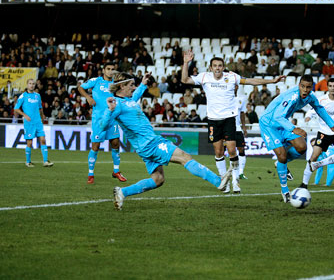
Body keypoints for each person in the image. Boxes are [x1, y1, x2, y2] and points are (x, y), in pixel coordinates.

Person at [97, 72, 230, 210]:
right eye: (131, 85)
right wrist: (109, 110)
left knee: (158, 179)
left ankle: (122, 192)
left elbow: (135, 96)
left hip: (145, 146)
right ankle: (218, 181)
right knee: (185, 157)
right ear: (122, 86)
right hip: (151, 144)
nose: (133, 87)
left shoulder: (128, 100)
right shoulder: (116, 104)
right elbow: (102, 126)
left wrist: (143, 83)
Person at [181, 51, 285, 194]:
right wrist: (186, 62)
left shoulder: (232, 77)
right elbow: (185, 80)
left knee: (231, 150)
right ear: (210, 68)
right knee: (218, 152)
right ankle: (225, 181)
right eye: (215, 66)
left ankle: (236, 180)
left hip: (229, 119)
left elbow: (250, 80)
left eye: (220, 66)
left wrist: (272, 81)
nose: (217, 68)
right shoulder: (204, 77)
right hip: (213, 120)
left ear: (223, 67)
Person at [260, 75, 334, 203]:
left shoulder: (310, 96)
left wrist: (332, 125)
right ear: (299, 86)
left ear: (311, 88)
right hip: (269, 124)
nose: (305, 90)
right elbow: (277, 116)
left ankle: (281, 164)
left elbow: (319, 108)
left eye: (308, 87)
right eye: (302, 86)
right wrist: (293, 128)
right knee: (281, 156)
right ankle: (285, 190)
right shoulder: (292, 96)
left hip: (283, 123)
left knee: (302, 146)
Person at [78, 62, 125, 184]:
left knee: (115, 143)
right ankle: (91, 173)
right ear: (103, 70)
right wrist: (88, 97)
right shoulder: (96, 81)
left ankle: (116, 171)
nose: (110, 71)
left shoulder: (115, 83)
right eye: (108, 69)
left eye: (112, 69)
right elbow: (80, 87)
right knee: (96, 146)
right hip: (98, 119)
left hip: (112, 118)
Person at [14, 79, 54, 168]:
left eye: (33, 84)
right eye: (30, 84)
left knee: (43, 140)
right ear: (27, 85)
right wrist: (24, 115)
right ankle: (28, 162)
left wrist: (42, 116)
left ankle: (45, 161)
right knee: (30, 142)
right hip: (29, 123)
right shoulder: (23, 96)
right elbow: (16, 108)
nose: (32, 85)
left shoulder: (37, 96)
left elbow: (40, 108)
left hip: (38, 122)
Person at [234, 86, 249, 182]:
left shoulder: (241, 99)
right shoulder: (225, 99)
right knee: (223, 151)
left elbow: (242, 113)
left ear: (237, 87)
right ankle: (224, 173)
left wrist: (244, 127)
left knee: (241, 149)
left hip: (238, 129)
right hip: (227, 129)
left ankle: (241, 173)